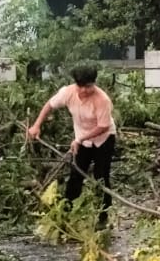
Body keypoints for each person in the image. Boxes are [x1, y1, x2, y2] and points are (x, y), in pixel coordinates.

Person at [28, 64, 118, 227]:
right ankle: (66, 212)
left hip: (104, 139)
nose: (84, 91)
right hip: (82, 139)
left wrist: (80, 139)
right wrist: (36, 125)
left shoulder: (102, 100)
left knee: (101, 176)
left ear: (94, 84)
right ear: (76, 83)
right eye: (81, 86)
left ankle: (102, 217)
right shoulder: (68, 92)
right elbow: (49, 105)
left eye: (88, 87)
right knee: (76, 174)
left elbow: (103, 126)